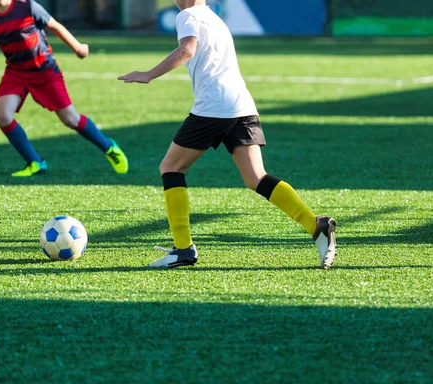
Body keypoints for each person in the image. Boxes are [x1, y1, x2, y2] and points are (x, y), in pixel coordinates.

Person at [118, 0, 337, 269]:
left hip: (215, 106)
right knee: (256, 177)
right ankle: (315, 224)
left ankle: (183, 249)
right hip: (241, 104)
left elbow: (187, 49)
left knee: (171, 167)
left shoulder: (187, 15)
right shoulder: (214, 18)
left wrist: (148, 75)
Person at [0, 0, 128, 177]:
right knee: (2, 115)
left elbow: (55, 26)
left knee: (70, 119)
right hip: (15, 72)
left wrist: (77, 47)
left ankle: (109, 148)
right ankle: (35, 162)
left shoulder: (27, 6)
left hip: (44, 70)